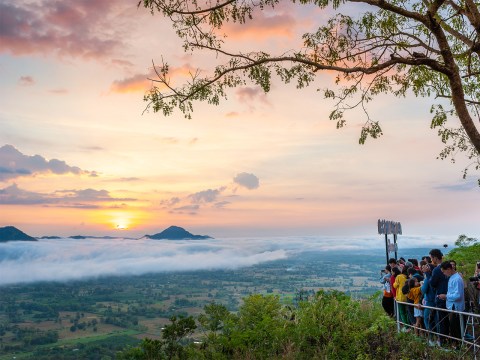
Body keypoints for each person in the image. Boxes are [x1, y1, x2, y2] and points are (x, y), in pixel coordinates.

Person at [425, 248, 449, 345]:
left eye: (431, 258)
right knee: (446, 320)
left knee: (439, 320)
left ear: (435, 258)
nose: (431, 260)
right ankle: (446, 340)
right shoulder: (448, 266)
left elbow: (433, 284)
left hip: (440, 297)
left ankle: (441, 341)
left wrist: (428, 274)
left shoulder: (437, 269)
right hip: (449, 296)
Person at [438, 261, 465, 344]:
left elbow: (458, 295)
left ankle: (457, 345)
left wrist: (446, 296)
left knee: (455, 328)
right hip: (452, 306)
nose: (444, 274)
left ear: (449, 269)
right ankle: (455, 344)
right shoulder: (452, 277)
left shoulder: (457, 279)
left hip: (455, 307)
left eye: (444, 271)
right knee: (453, 328)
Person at [421, 263, 436, 345]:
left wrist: (421, 286)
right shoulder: (435, 278)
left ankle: (431, 339)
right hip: (435, 301)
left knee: (427, 319)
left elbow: (423, 290)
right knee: (434, 320)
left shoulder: (427, 279)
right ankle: (436, 339)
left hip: (429, 302)